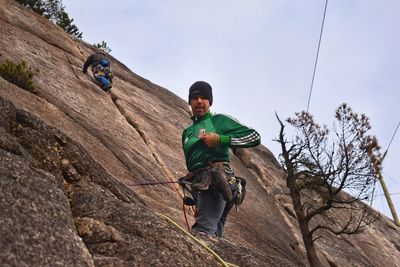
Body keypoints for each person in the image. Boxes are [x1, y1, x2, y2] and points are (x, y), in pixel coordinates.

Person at [180, 81, 261, 237]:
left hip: (217, 181)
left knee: (203, 231)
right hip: (201, 183)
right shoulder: (187, 132)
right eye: (195, 97)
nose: (199, 101)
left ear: (210, 101)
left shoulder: (219, 121)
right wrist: (191, 173)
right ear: (189, 101)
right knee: (215, 232)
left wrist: (221, 140)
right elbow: (195, 159)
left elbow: (254, 137)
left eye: (204, 97)